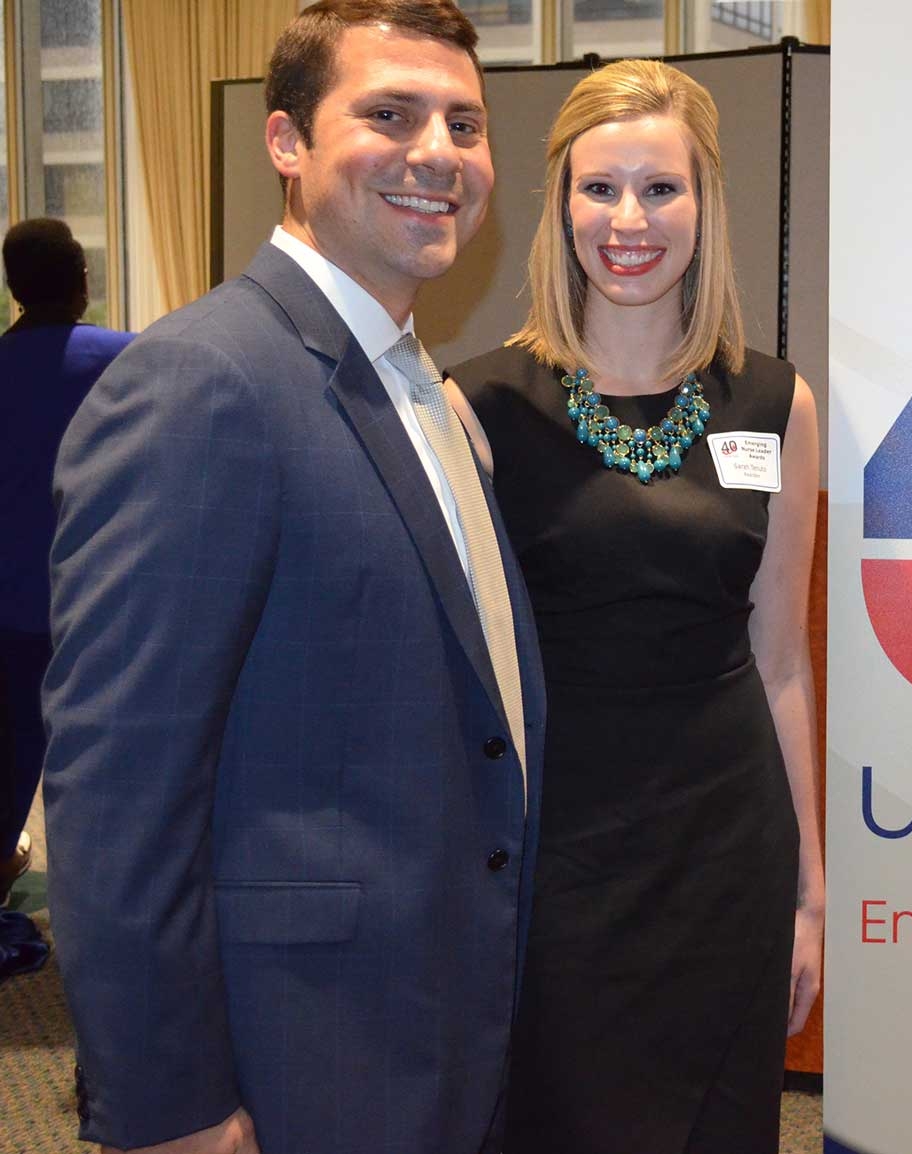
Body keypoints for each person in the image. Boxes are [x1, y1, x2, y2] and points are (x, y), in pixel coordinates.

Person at [43, 4, 543, 1153]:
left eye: (464, 124)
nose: (438, 153)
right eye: (390, 115)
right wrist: (166, 1105)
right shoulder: (202, 382)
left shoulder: (424, 390)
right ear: (286, 141)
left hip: (432, 1019)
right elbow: (118, 786)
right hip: (295, 1054)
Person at [447, 58, 823, 1154]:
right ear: (560, 203)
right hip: (559, 856)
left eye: (661, 188)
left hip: (727, 852)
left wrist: (809, 889)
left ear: (705, 204)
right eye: (599, 187)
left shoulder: (776, 400)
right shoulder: (479, 406)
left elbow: (782, 659)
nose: (629, 221)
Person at [0, 218, 132, 911]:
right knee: (103, 761)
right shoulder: (129, 360)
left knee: (12, 754)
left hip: (9, 607)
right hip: (99, 602)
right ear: (82, 281)